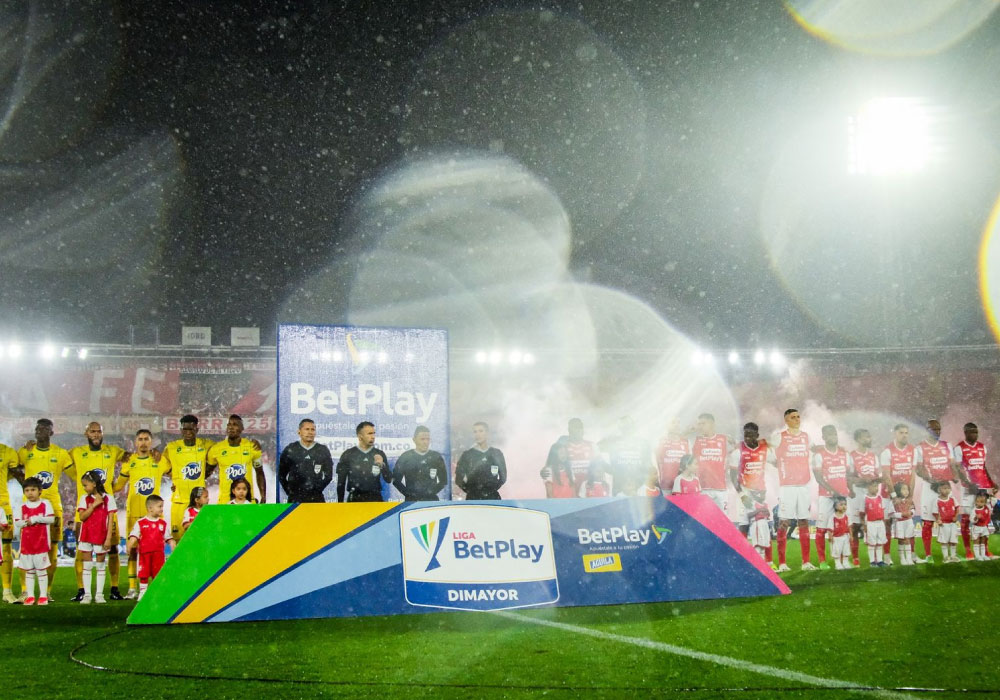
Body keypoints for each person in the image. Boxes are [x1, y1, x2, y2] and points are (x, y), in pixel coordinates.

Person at [15, 418, 74, 602]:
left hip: (53, 507)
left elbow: (75, 475)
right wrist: (26, 486)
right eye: (38, 428)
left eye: (44, 428)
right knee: (26, 550)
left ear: (51, 432)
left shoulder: (61, 453)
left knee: (52, 549)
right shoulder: (26, 451)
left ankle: (46, 591)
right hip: (29, 508)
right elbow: (15, 469)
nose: (40, 431)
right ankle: (26, 591)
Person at [68, 422, 127, 601]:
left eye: (98, 431)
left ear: (103, 433)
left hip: (105, 509)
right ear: (86, 433)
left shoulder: (113, 451)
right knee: (82, 550)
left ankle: (114, 588)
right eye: (92, 431)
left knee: (113, 549)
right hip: (85, 509)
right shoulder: (75, 452)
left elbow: (131, 458)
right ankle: (81, 590)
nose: (95, 434)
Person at [113, 429, 169, 599]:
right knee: (133, 551)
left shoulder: (160, 460)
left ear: (151, 442)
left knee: (157, 552)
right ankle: (132, 588)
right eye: (140, 439)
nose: (143, 442)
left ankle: (156, 587)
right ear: (135, 443)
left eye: (146, 439)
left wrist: (175, 486)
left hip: (154, 514)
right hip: (134, 512)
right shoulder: (129, 462)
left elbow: (176, 474)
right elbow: (118, 486)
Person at [767, 408, 814, 572]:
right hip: (787, 486)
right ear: (786, 420)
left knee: (804, 521)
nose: (797, 419)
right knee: (784, 522)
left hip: (803, 486)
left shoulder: (806, 437)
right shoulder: (780, 436)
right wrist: (774, 461)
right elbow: (767, 449)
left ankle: (806, 562)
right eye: (793, 417)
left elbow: (812, 453)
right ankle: (782, 563)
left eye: (798, 416)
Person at [913, 419, 963, 564]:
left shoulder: (946, 445)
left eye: (939, 429)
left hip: (946, 488)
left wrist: (955, 477)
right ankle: (929, 555)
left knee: (951, 521)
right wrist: (931, 479)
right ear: (927, 429)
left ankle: (951, 554)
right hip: (930, 489)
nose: (937, 432)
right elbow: (918, 469)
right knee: (927, 522)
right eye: (934, 429)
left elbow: (952, 464)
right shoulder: (920, 448)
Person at [811, 425, 851, 571]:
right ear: (824, 437)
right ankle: (822, 561)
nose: (833, 436)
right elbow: (818, 477)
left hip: (843, 498)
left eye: (834, 434)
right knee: (821, 529)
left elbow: (848, 474)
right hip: (827, 498)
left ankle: (842, 560)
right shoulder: (819, 455)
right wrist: (832, 491)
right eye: (829, 434)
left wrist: (849, 490)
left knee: (843, 530)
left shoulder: (844, 454)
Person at [953, 423, 996, 560]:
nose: (975, 435)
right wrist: (968, 483)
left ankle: (985, 551)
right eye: (972, 432)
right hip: (968, 488)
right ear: (965, 432)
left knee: (984, 518)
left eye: (976, 432)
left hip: (982, 487)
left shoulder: (982, 447)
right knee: (966, 519)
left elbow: (982, 467)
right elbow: (958, 469)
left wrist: (991, 482)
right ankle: (968, 551)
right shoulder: (959, 448)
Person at [879, 424, 919, 564]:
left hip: (905, 495)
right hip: (888, 496)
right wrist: (894, 496)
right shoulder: (887, 451)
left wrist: (910, 496)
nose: (904, 435)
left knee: (909, 523)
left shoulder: (913, 450)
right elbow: (886, 475)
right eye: (901, 433)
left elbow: (913, 475)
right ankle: (887, 556)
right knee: (888, 524)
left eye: (906, 433)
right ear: (895, 434)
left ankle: (912, 555)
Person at [76, 470, 117, 604]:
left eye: (85, 485)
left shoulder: (108, 498)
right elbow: (82, 517)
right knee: (87, 566)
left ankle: (99, 595)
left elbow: (111, 519)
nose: (84, 488)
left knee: (100, 566)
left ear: (94, 484)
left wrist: (108, 538)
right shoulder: (84, 498)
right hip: (86, 535)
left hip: (101, 536)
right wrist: (94, 505)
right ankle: (87, 595)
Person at [207, 415, 266, 505]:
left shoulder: (252, 447)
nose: (231, 427)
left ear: (242, 428)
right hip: (225, 502)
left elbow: (260, 472)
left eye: (235, 424)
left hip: (247, 501)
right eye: (229, 424)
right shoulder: (216, 449)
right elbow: (206, 472)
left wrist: (263, 496)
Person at [14, 477, 55, 605]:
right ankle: (30, 596)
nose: (30, 493)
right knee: (29, 571)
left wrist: (36, 518)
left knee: (41, 570)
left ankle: (43, 596)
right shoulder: (21, 506)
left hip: (41, 543)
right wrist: (26, 522)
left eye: (33, 490)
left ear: (40, 491)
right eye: (27, 490)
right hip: (26, 544)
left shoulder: (45, 504)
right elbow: (17, 522)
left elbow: (51, 519)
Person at [729, 423, 769, 550]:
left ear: (757, 435)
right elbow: (733, 476)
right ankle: (742, 553)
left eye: (750, 436)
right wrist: (741, 495)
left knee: (761, 522)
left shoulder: (764, 449)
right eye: (745, 436)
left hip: (760, 492)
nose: (747, 439)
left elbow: (774, 461)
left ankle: (765, 557)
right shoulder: (737, 452)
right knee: (744, 523)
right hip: (745, 491)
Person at [126, 494, 174, 600]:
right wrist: (129, 545)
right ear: (150, 508)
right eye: (159, 506)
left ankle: (157, 592)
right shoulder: (140, 523)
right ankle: (143, 592)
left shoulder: (163, 524)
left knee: (158, 574)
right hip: (144, 555)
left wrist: (172, 544)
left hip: (159, 555)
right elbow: (134, 536)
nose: (162, 509)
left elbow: (168, 538)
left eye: (162, 506)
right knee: (144, 573)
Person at [278, 418, 334, 503]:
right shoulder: (291, 449)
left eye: (313, 429)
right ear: (299, 432)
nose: (310, 432)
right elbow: (281, 474)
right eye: (307, 429)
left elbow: (328, 475)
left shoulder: (322, 450)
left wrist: (317, 489)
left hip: (316, 498)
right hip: (295, 498)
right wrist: (290, 491)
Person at [599, 416, 655, 497]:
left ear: (633, 426)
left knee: (640, 509)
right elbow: (595, 450)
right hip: (619, 485)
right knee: (619, 508)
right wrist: (612, 471)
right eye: (623, 426)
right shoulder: (613, 441)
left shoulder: (643, 443)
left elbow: (649, 464)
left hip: (639, 484)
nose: (626, 428)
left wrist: (649, 481)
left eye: (628, 425)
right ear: (619, 427)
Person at [336, 422, 392, 502]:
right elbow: (341, 483)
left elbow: (389, 479)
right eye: (369, 434)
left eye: (373, 433)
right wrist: (340, 504)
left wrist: (382, 465)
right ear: (360, 436)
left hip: (375, 498)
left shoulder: (379, 454)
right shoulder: (348, 454)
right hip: (355, 499)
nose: (373, 437)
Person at [848, 428, 880, 568]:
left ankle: (875, 558)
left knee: (872, 525)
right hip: (857, 493)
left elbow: (877, 475)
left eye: (869, 436)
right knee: (855, 526)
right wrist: (862, 480)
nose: (869, 439)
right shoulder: (851, 456)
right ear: (859, 439)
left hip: (871, 494)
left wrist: (875, 481)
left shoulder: (874, 456)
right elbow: (848, 477)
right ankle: (855, 558)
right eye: (866, 437)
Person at [689, 413, 733, 514]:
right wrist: (689, 430)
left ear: (712, 424)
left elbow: (738, 449)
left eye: (703, 424)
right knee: (704, 521)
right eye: (699, 424)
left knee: (723, 520)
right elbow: (677, 437)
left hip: (721, 488)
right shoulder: (696, 440)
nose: (700, 427)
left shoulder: (724, 439)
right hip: (702, 488)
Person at [393, 426, 448, 501]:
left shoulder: (436, 457)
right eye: (422, 439)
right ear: (414, 440)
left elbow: (444, 481)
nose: (425, 442)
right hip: (411, 502)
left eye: (428, 439)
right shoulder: (405, 457)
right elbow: (396, 480)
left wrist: (432, 492)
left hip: (431, 501)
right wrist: (408, 494)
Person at [546, 418, 600, 495]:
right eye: (575, 427)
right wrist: (544, 470)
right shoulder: (563, 445)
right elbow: (552, 460)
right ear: (569, 430)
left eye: (580, 427)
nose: (578, 430)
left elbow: (600, 466)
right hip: (567, 492)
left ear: (583, 430)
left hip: (586, 492)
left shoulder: (592, 445)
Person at [455, 422, 507, 500]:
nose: (477, 434)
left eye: (481, 431)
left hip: (492, 498)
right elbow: (458, 479)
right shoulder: (467, 455)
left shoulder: (496, 453)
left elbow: (503, 477)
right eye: (475, 432)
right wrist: (470, 490)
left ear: (487, 433)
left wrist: (491, 489)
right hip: (473, 498)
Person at [0, 440, 19, 603]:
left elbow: (17, 470)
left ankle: (7, 591)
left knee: (7, 547)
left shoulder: (7, 452)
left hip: (3, 505)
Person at [656, 418, 689, 495]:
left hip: (682, 487)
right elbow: (655, 462)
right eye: (673, 423)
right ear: (667, 425)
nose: (676, 425)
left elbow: (691, 463)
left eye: (678, 423)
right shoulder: (660, 441)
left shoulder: (686, 442)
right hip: (665, 486)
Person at [932, 481, 961, 563]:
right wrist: (938, 520)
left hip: (952, 524)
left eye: (948, 488)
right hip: (943, 525)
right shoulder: (937, 501)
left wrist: (956, 516)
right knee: (944, 541)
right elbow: (935, 512)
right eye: (944, 488)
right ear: (939, 489)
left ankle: (953, 556)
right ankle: (945, 557)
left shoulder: (952, 499)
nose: (947, 490)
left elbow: (957, 508)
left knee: (953, 540)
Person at [742, 488, 771, 563]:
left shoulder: (765, 504)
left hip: (764, 524)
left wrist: (767, 512)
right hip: (756, 524)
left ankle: (762, 565)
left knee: (763, 546)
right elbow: (749, 515)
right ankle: (756, 564)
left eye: (764, 494)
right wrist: (759, 510)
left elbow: (768, 515)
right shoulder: (752, 503)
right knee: (758, 546)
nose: (763, 496)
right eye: (761, 493)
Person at [863, 480, 888, 568]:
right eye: (874, 486)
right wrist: (864, 525)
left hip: (880, 522)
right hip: (870, 523)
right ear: (868, 487)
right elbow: (862, 513)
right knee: (872, 543)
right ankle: (872, 562)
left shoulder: (880, 498)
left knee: (880, 542)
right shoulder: (864, 498)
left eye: (877, 486)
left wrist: (884, 523)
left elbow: (883, 511)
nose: (876, 488)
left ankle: (880, 561)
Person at [891, 482, 915, 566]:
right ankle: (902, 558)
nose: (906, 491)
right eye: (903, 489)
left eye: (907, 489)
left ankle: (909, 558)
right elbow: (892, 514)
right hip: (899, 523)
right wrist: (901, 514)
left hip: (908, 522)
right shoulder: (895, 502)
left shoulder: (909, 500)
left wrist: (910, 513)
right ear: (898, 491)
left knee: (907, 539)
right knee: (901, 540)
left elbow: (913, 509)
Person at [830, 497, 852, 570]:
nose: (844, 506)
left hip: (845, 536)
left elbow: (849, 526)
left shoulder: (846, 516)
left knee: (846, 550)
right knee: (837, 550)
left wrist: (851, 536)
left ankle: (845, 563)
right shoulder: (832, 517)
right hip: (836, 537)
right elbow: (830, 528)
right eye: (841, 504)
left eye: (845, 504)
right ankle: (838, 563)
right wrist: (830, 536)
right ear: (835, 506)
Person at [971, 490, 993, 561]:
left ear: (985, 502)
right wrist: (976, 517)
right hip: (977, 527)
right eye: (978, 501)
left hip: (984, 527)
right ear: (975, 502)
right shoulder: (974, 510)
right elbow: (972, 520)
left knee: (983, 541)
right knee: (976, 541)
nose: (979, 503)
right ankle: (977, 556)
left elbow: (988, 517)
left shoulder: (987, 508)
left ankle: (983, 555)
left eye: (982, 502)